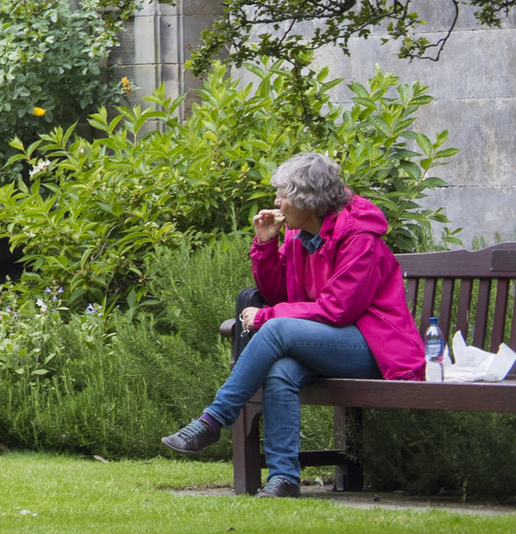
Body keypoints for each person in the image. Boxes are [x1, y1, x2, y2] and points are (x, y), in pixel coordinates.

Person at [160, 150, 427, 497]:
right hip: (328, 342)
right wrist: (267, 245)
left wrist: (267, 317)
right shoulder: (299, 238)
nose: (277, 202)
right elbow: (278, 294)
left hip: (375, 347)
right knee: (282, 370)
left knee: (276, 328)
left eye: (283, 195)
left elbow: (338, 310)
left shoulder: (360, 239)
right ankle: (284, 478)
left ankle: (213, 421)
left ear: (308, 200)